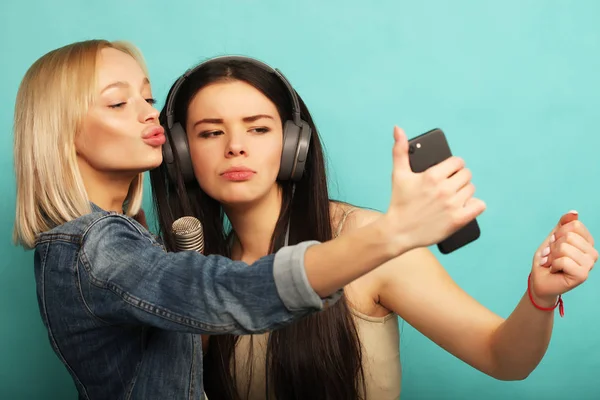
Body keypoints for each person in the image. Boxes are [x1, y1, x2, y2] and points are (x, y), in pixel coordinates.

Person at [12, 41, 485, 400]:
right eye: (118, 103)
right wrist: (393, 233)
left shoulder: (132, 245)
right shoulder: (96, 249)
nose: (148, 117)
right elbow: (228, 294)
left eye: (148, 98)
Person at [150, 56, 598, 400]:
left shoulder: (370, 241)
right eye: (210, 133)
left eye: (259, 129)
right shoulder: (198, 272)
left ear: (293, 146)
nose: (236, 148)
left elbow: (504, 358)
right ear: (181, 156)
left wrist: (540, 296)